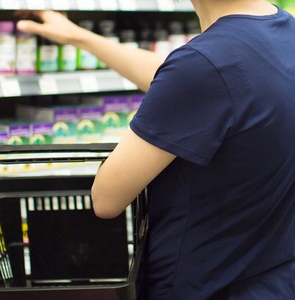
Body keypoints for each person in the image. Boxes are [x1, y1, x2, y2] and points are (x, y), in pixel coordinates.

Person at [17, 0, 295, 299]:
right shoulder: (285, 31)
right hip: (273, 278)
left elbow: (106, 198)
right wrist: (78, 36)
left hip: (202, 285)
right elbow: (188, 80)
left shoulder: (204, 62)